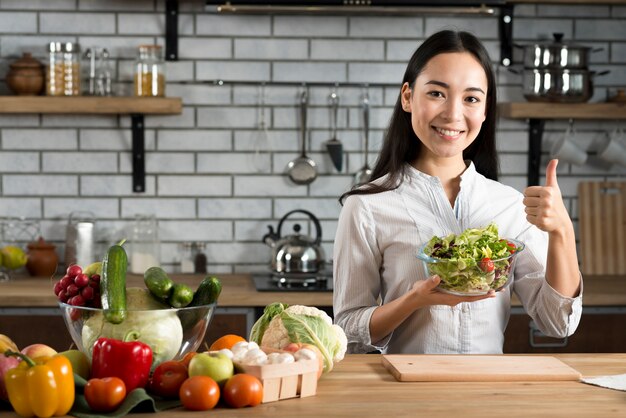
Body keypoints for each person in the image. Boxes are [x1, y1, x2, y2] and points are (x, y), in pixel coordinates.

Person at [332, 30, 582, 354]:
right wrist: (414, 301)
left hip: (486, 395)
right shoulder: (366, 206)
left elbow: (558, 323)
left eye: (471, 98)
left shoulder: (509, 206)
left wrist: (562, 230)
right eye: (437, 93)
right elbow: (347, 332)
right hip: (404, 395)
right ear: (407, 97)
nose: (453, 114)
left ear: (485, 109)